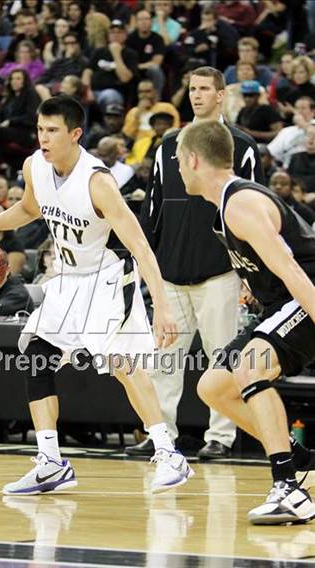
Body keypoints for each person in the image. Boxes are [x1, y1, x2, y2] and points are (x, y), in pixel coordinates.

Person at [0, 94, 192, 496]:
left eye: (53, 130)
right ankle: (51, 462)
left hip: (110, 276)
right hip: (68, 277)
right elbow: (28, 209)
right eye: (40, 129)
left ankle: (168, 453)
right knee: (37, 354)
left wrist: (161, 305)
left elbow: (142, 247)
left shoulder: (99, 182)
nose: (43, 138)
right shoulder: (34, 166)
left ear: (75, 134)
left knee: (123, 365)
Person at [176, 119, 315, 525]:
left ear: (194, 159)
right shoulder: (224, 205)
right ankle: (301, 458)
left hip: (304, 293)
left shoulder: (240, 202)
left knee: (250, 366)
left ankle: (288, 487)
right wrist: (252, 283)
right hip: (282, 301)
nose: (179, 170)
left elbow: (291, 268)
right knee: (214, 388)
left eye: (180, 162)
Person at [127, 66, 264, 461]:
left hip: (219, 271)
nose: (197, 95)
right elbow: (153, 210)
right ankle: (161, 434)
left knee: (222, 356)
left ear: (221, 95)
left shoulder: (241, 144)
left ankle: (220, 437)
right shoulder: (168, 144)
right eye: (192, 89)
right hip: (170, 272)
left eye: (205, 89)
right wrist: (147, 266)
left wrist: (248, 272)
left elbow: (252, 210)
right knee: (164, 359)